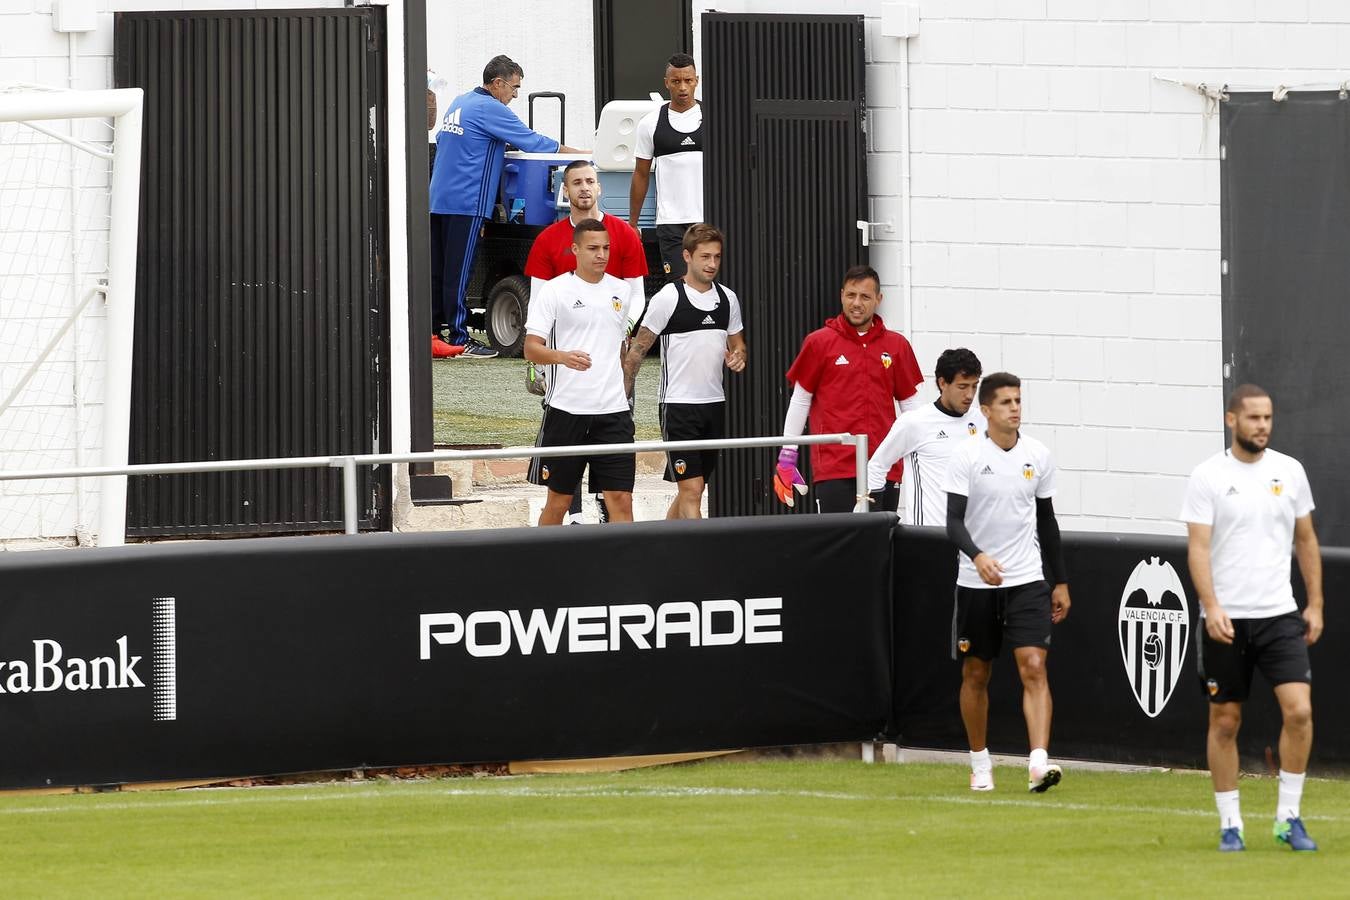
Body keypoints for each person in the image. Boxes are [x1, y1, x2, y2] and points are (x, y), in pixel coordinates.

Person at [1180, 384, 1323, 853]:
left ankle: (1289, 819)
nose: (1262, 425)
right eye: (1253, 418)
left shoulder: (1290, 471)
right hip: (1226, 620)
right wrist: (1212, 606)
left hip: (1279, 615)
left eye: (1267, 418)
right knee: (1225, 722)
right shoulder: (1207, 476)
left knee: (1299, 712)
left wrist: (1315, 603)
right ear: (1231, 420)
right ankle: (1230, 825)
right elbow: (1198, 548)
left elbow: (1305, 540)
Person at [944, 372, 1070, 794]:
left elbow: (1047, 522)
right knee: (976, 674)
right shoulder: (966, 456)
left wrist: (1061, 581)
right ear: (986, 410)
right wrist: (977, 557)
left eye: (1018, 401)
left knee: (1034, 666)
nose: (1015, 408)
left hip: (1027, 579)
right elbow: (953, 522)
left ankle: (1038, 763)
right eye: (1005, 402)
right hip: (976, 584)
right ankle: (980, 763)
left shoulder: (1038, 455)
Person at [430, 54, 583, 359]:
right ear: (498, 83)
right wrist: (583, 155)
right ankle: (462, 339)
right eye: (514, 87)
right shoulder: (490, 108)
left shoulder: (461, 102)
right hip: (467, 202)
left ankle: (433, 332)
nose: (515, 95)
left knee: (439, 270)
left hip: (438, 199)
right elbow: (533, 142)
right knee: (458, 273)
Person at [524, 160, 649, 522]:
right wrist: (556, 359)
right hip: (567, 408)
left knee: (620, 500)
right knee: (559, 502)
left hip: (612, 409)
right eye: (576, 182)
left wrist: (623, 332)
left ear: (599, 187)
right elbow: (534, 333)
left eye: (591, 181)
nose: (602, 255)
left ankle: (624, 572)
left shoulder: (622, 267)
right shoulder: (552, 259)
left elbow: (636, 299)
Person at [775, 265, 924, 514]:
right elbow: (800, 400)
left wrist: (925, 454)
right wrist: (787, 456)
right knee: (839, 546)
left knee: (881, 546)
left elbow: (910, 406)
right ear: (842, 295)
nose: (857, 303)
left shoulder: (897, 345)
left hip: (884, 465)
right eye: (851, 295)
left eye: (865, 297)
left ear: (878, 299)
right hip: (834, 466)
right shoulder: (819, 342)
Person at [621, 223, 746, 519]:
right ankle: (702, 559)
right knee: (691, 490)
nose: (712, 263)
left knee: (694, 488)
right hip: (678, 406)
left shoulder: (728, 298)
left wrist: (738, 357)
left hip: (714, 404)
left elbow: (738, 345)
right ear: (687, 256)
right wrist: (621, 402)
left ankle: (665, 544)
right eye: (705, 257)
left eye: (717, 257)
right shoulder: (668, 297)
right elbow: (637, 351)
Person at [867, 349, 984, 525]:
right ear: (942, 383)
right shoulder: (915, 421)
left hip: (973, 541)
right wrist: (875, 518)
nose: (969, 395)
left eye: (974, 386)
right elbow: (877, 466)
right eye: (962, 386)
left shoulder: (982, 421)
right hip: (930, 539)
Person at [629, 52, 702, 280]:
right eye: (676, 81)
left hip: (708, 218)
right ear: (666, 82)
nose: (683, 87)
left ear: (696, 81)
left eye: (688, 80)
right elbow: (641, 174)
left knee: (708, 284)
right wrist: (632, 223)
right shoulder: (650, 123)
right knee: (681, 288)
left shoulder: (716, 117)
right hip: (670, 223)